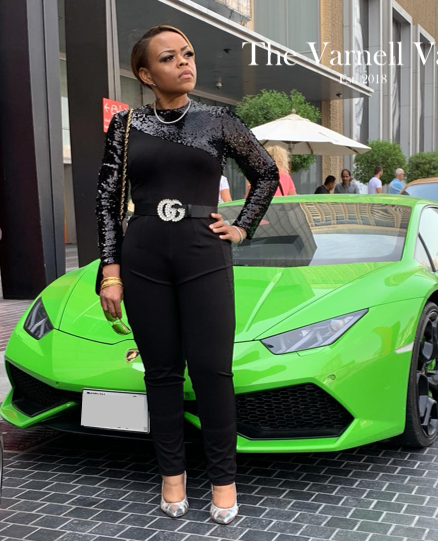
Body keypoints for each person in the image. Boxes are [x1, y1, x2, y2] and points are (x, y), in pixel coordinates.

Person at [95, 25, 279, 525]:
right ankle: (171, 477)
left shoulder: (219, 120)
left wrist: (242, 227)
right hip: (144, 253)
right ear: (144, 73)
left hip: (204, 252)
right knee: (161, 373)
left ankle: (223, 481)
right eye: (169, 57)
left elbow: (266, 173)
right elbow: (108, 199)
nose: (184, 62)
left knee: (213, 371)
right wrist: (110, 268)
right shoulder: (126, 125)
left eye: (188, 54)